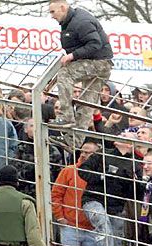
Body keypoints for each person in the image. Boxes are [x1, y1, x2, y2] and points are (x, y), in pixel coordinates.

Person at [48, 0, 113, 145]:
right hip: (101, 63)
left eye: (53, 12)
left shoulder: (81, 21)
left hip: (98, 62)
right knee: (86, 102)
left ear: (63, 8)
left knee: (65, 74)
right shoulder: (70, 21)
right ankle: (74, 142)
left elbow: (95, 43)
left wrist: (72, 56)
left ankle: (66, 117)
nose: (51, 16)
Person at [51, 141, 100, 246]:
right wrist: (60, 217)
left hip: (93, 228)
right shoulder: (68, 171)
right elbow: (56, 194)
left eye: (88, 152)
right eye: (82, 151)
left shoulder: (100, 174)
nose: (84, 155)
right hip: (71, 226)